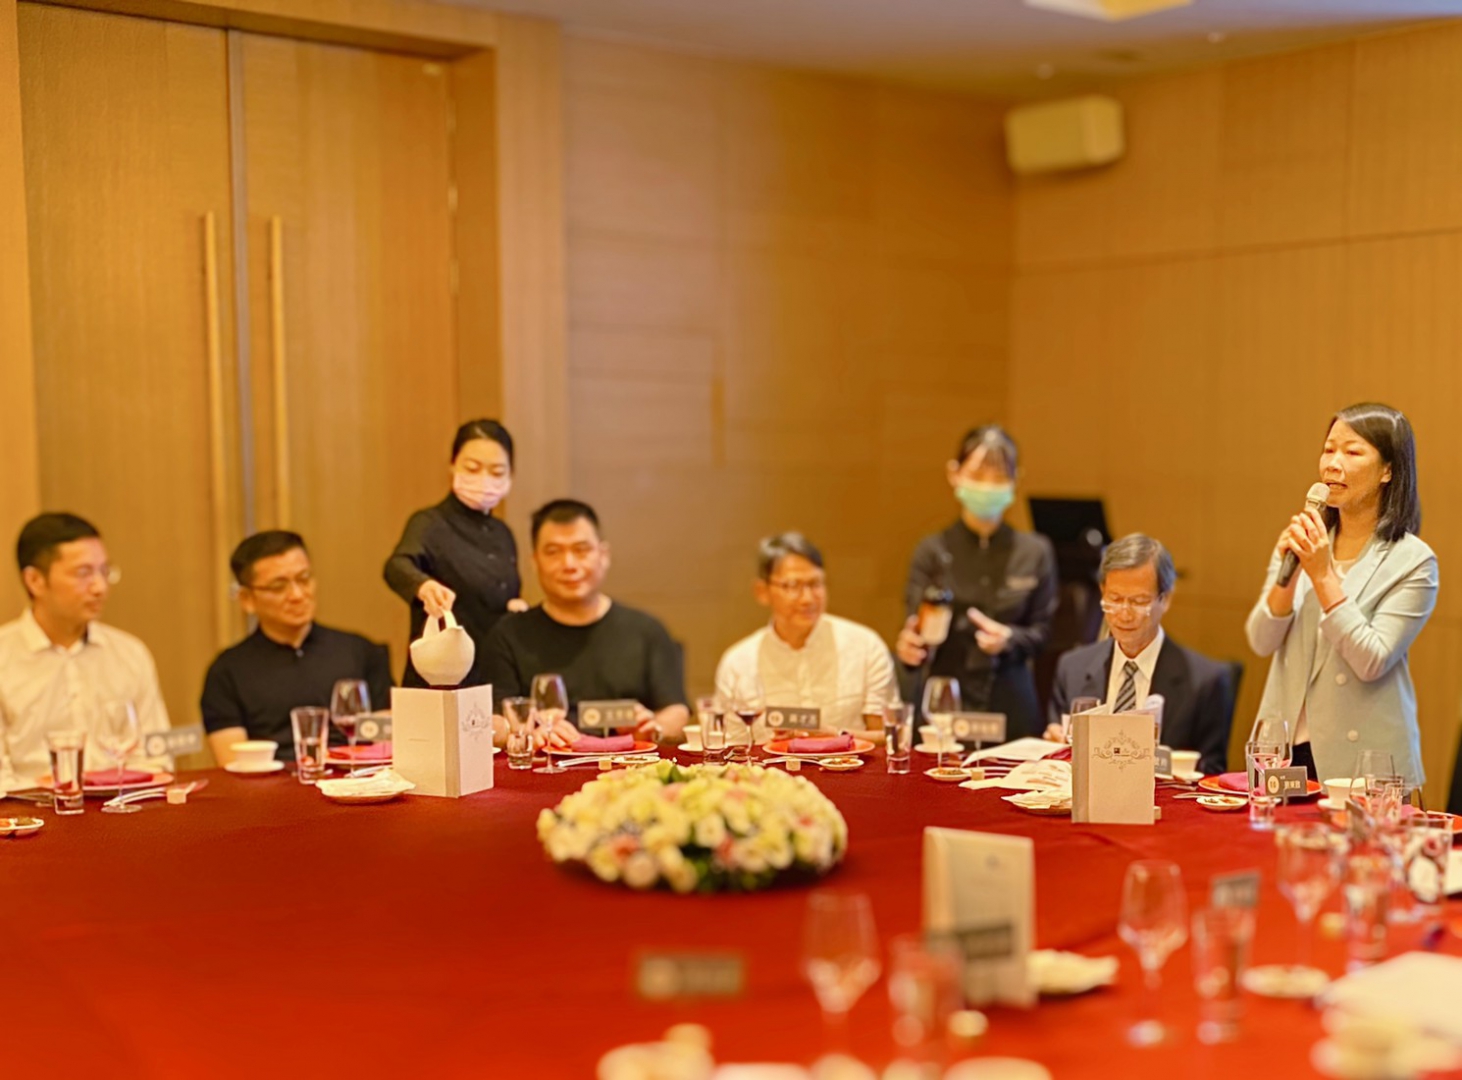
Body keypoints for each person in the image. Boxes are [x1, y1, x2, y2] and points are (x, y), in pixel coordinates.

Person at [1246, 403, 1437, 786]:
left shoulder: (1413, 561)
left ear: (1387, 470)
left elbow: (1372, 660)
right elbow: (1261, 640)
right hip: (1284, 749)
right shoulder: (1306, 539)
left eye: (1352, 452)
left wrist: (1322, 575)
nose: (1333, 464)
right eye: (1328, 449)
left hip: (1364, 761)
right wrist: (1289, 577)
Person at [895, 425, 1058, 739]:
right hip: (945, 699)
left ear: (1015, 480)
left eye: (999, 477)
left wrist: (1009, 638)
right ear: (954, 474)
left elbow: (1044, 633)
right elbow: (915, 628)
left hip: (1011, 699)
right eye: (978, 475)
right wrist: (911, 646)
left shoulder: (1035, 552)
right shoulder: (931, 551)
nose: (987, 486)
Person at [484, 499, 688, 741]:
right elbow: (494, 720)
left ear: (604, 555)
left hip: (631, 760)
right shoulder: (508, 635)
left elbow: (676, 710)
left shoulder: (646, 630)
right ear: (535, 561)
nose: (569, 564)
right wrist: (526, 734)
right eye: (553, 552)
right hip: (547, 761)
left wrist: (654, 728)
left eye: (581, 550)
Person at [0, 513, 170, 787]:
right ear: (35, 580)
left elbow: (155, 757)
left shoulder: (130, 653)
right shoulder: (5, 657)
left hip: (119, 804)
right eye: (83, 573)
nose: (100, 587)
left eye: (104, 571)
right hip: (30, 808)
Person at [1044, 534, 1233, 775]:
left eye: (1139, 601)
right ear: (1102, 592)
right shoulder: (1072, 668)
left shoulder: (1206, 681)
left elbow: (1211, 773)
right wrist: (1055, 744)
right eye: (1114, 599)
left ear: (1165, 600)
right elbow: (1058, 752)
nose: (1124, 614)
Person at [201, 531, 393, 765]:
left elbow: (388, 743)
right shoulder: (226, 672)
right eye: (278, 586)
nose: (297, 595)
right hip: (271, 785)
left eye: (304, 579)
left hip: (356, 779)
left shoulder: (361, 651)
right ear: (247, 599)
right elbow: (234, 762)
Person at [715, 532, 897, 745]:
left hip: (850, 765)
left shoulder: (865, 647)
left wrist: (832, 734)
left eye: (815, 584)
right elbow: (732, 748)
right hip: (770, 766)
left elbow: (889, 738)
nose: (808, 598)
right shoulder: (738, 663)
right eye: (793, 586)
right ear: (762, 591)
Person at [385, 419, 527, 688]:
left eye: (497, 471)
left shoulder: (503, 533)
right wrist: (423, 586)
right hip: (441, 675)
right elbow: (397, 565)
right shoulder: (430, 523)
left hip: (493, 671)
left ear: (510, 475)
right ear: (453, 465)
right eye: (472, 468)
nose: (484, 479)